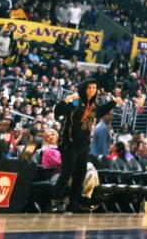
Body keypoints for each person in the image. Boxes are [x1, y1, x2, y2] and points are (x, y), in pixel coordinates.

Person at [51, 78, 105, 213]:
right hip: (69, 143)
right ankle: (54, 202)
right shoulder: (76, 102)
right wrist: (67, 99)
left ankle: (73, 203)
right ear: (84, 89)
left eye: (94, 88)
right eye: (89, 87)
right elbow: (59, 111)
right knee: (67, 173)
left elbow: (99, 113)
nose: (92, 90)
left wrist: (113, 103)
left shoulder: (92, 106)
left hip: (84, 145)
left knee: (80, 176)